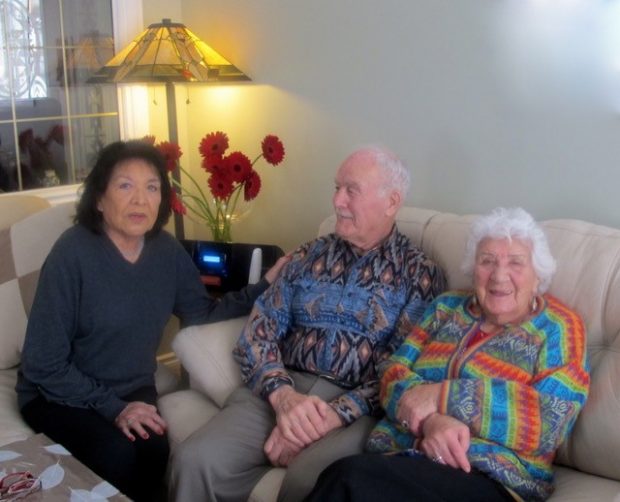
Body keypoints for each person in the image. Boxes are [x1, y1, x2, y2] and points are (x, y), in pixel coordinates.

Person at [16, 140, 289, 502]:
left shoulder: (166, 251)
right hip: (58, 393)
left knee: (154, 452)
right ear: (99, 198)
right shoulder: (72, 253)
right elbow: (43, 363)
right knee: (114, 456)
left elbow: (201, 313)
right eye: (125, 185)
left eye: (152, 187)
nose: (140, 199)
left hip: (131, 385)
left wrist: (263, 286)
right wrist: (115, 409)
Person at [170, 145, 446, 502]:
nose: (337, 202)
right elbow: (257, 333)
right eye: (336, 188)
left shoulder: (420, 274)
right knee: (195, 459)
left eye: (351, 190)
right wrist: (284, 398)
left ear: (391, 202)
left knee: (311, 481)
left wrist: (331, 415)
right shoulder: (308, 255)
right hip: (281, 388)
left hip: (356, 406)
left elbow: (402, 368)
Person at [306, 206, 591, 502]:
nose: (499, 275)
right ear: (472, 268)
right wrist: (432, 422)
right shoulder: (446, 308)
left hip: (491, 478)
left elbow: (550, 419)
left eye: (516, 263)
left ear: (538, 275)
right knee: (344, 478)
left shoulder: (559, 327)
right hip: (409, 456)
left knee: (348, 481)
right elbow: (392, 375)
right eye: (487, 261)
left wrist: (443, 397)